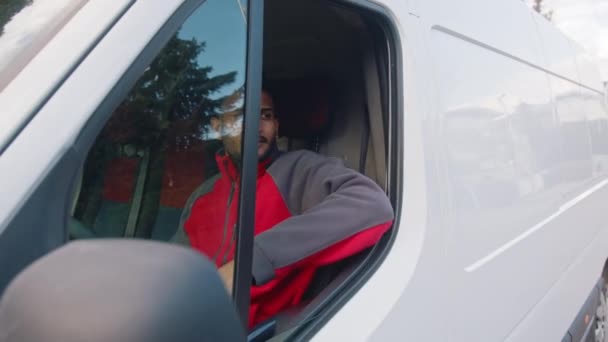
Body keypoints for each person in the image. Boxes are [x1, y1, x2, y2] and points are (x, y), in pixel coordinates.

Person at [172, 88, 394, 328]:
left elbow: (372, 204)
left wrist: (250, 262)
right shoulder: (203, 194)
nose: (255, 125)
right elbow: (173, 267)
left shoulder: (300, 170)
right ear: (217, 128)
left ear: (276, 126)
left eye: (265, 116)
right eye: (240, 116)